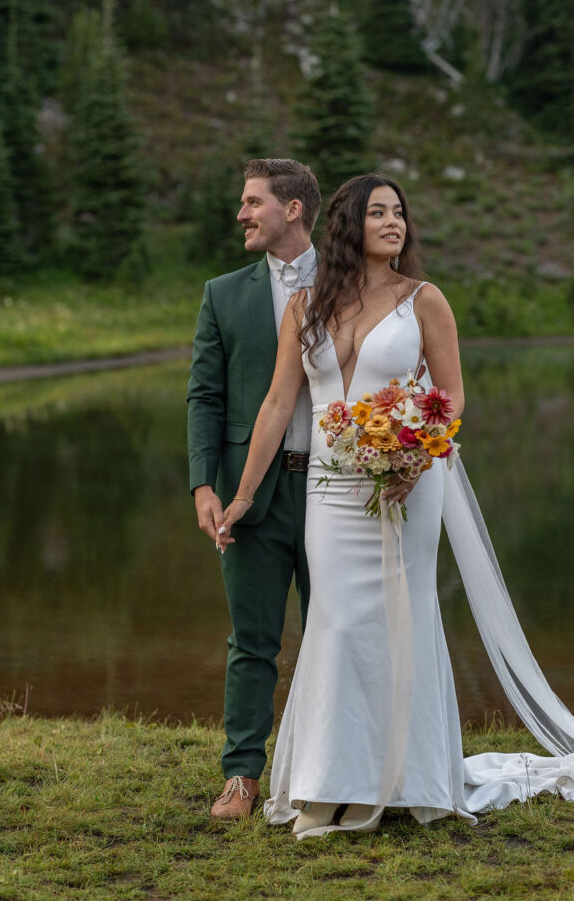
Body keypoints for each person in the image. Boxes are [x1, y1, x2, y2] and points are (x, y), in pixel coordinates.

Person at [218, 173, 574, 839]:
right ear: (348, 224)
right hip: (330, 491)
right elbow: (279, 405)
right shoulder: (303, 306)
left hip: (406, 485)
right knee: (336, 626)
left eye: (399, 212)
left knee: (403, 622)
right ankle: (331, 781)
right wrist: (245, 494)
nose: (394, 222)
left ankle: (409, 776)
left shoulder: (423, 301)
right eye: (377, 212)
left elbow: (450, 397)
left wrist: (414, 456)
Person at [187, 157, 321, 819]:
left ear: (290, 209)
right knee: (252, 640)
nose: (240, 214)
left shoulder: (353, 284)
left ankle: (333, 767)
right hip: (251, 493)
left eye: (252, 202)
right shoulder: (222, 293)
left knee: (343, 633)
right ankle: (241, 776)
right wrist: (202, 486)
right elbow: (203, 397)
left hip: (339, 491)